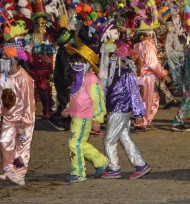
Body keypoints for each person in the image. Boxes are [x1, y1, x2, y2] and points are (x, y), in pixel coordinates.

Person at [100, 44, 151, 179]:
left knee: (109, 140)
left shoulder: (126, 74)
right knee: (125, 138)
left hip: (119, 110)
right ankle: (140, 164)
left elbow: (135, 93)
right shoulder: (113, 74)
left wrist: (139, 113)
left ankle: (113, 167)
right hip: (116, 110)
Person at [0, 31, 35, 187]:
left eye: (8, 59)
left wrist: (25, 119)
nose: (5, 62)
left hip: (23, 119)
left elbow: (29, 102)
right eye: (4, 58)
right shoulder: (3, 76)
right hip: (9, 118)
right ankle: (9, 170)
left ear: (17, 61)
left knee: (21, 147)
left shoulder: (25, 79)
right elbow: (1, 96)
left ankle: (19, 174)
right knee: (5, 142)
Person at [62, 43, 108, 183]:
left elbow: (98, 100)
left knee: (74, 143)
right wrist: (68, 108)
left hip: (85, 117)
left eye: (80, 62)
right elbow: (76, 96)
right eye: (74, 61)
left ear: (88, 64)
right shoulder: (78, 78)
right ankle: (101, 161)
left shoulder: (91, 79)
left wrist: (97, 119)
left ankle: (78, 172)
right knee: (79, 144)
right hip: (76, 116)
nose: (76, 64)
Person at [134, 27, 170, 131]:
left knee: (149, 97)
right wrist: (163, 74)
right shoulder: (148, 45)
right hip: (146, 77)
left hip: (137, 76)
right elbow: (153, 63)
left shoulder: (137, 45)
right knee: (147, 99)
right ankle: (142, 123)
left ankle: (142, 120)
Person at [48, 27, 74, 131]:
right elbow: (66, 69)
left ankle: (65, 122)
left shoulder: (65, 51)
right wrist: (69, 82)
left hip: (62, 81)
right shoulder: (64, 53)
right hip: (63, 82)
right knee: (65, 102)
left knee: (65, 101)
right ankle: (57, 119)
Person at [164, 22, 185, 97]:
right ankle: (180, 88)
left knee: (176, 71)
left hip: (175, 53)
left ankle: (179, 88)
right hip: (177, 53)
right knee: (177, 71)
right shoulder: (178, 30)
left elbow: (167, 44)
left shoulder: (176, 31)